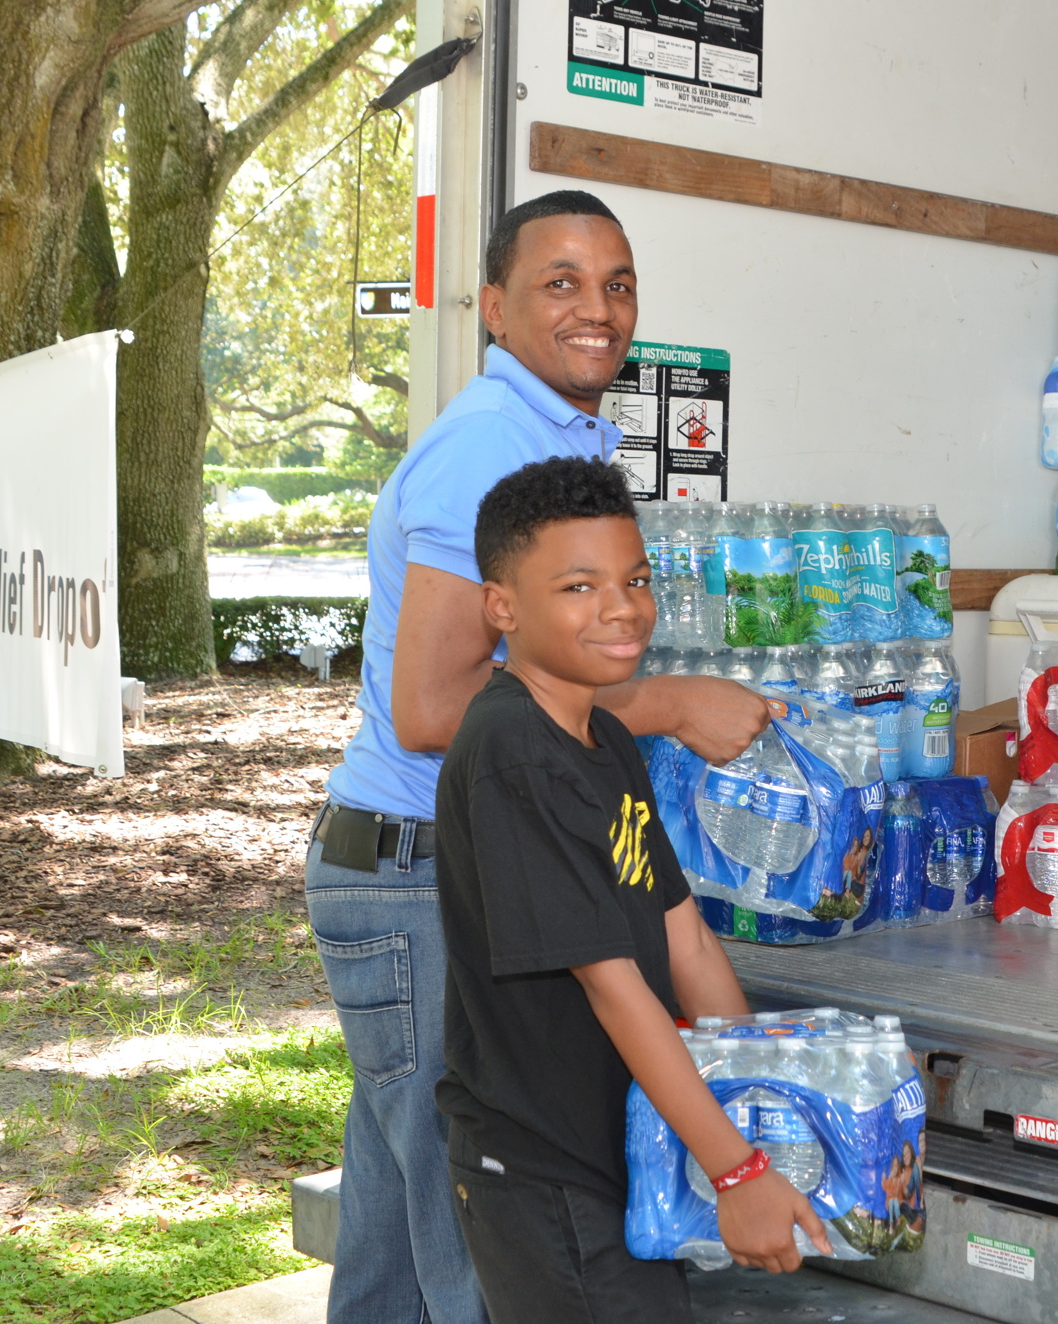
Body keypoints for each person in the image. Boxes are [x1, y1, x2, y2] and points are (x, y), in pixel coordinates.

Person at [306, 190, 766, 1323]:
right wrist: (660, 706)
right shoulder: (488, 448)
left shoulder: (557, 436)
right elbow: (431, 706)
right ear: (494, 307)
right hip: (424, 871)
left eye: (617, 285)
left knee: (393, 1229)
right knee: (481, 1240)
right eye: (560, 282)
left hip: (416, 866)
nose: (596, 308)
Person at [435, 457, 828, 1322]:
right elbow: (613, 988)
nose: (622, 607)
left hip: (620, 1149)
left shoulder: (601, 737)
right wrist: (735, 1170)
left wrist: (751, 1097)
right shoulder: (513, 752)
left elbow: (684, 937)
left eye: (636, 578)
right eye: (579, 586)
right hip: (548, 1173)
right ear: (502, 608)